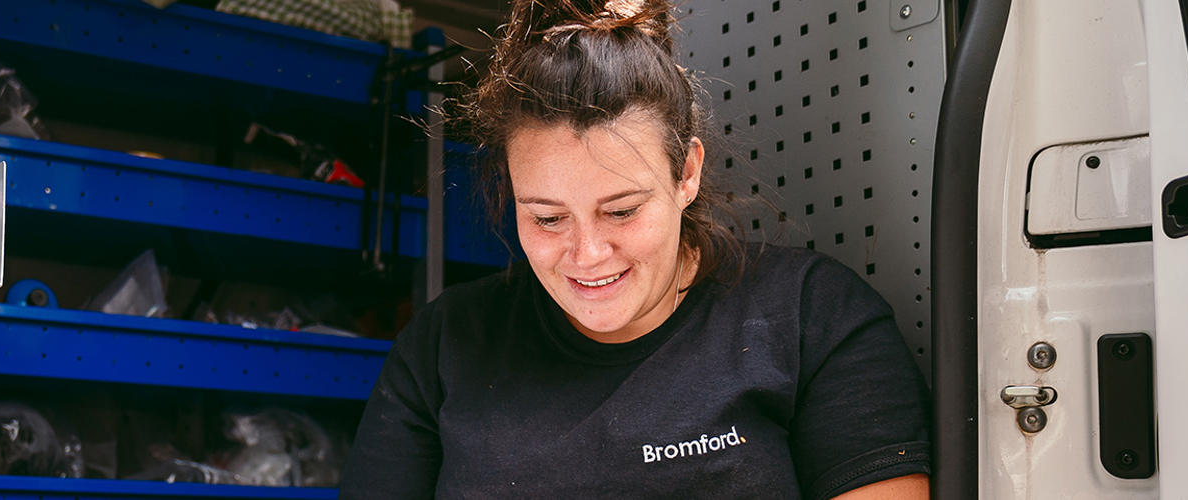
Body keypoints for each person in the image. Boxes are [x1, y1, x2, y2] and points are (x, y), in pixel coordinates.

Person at [338, 0, 932, 497]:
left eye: (622, 210)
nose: (588, 252)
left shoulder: (815, 316)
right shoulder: (443, 345)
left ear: (687, 174)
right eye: (547, 218)